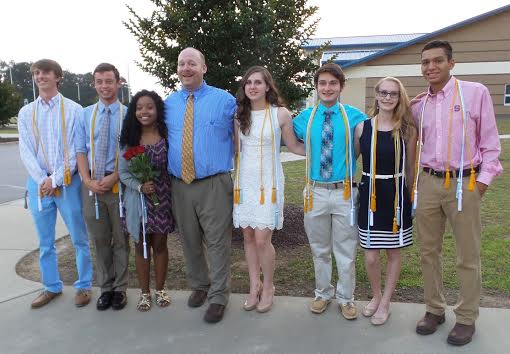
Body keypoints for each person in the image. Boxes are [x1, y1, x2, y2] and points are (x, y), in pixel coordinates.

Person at [411, 40, 502, 346]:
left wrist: (482, 182)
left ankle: (466, 317)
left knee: (467, 255)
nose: (430, 67)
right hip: (429, 182)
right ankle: (434, 309)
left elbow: (490, 142)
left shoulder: (475, 93)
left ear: (452, 63)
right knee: (427, 252)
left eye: (437, 61)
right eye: (425, 62)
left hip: (465, 183)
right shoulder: (418, 104)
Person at [165, 47, 236, 323]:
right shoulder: (168, 104)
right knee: (190, 240)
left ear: (204, 68)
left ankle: (218, 296)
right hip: (180, 184)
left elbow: (245, 131)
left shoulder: (225, 101)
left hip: (214, 184)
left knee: (218, 242)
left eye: (192, 63)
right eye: (182, 64)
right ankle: (200, 285)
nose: (186, 68)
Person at [293, 63, 366, 320]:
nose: (327, 88)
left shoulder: (355, 116)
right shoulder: (304, 118)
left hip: (344, 192)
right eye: (322, 83)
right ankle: (323, 293)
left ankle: (346, 298)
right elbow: (288, 141)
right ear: (316, 87)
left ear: (341, 87)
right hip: (315, 192)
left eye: (333, 83)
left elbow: (364, 143)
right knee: (319, 248)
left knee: (345, 249)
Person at [18, 59, 93, 308]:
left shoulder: (74, 110)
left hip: (67, 181)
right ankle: (51, 287)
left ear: (58, 77)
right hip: (39, 184)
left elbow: (76, 149)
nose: (41, 76)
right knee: (45, 241)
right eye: (37, 73)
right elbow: (26, 150)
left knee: (79, 237)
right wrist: (42, 180)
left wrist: (56, 179)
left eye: (46, 72)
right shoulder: (27, 112)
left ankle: (84, 286)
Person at [233, 66, 305, 313]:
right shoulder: (239, 116)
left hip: (269, 184)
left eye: (258, 82)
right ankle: (254, 286)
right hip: (245, 182)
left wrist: (323, 151)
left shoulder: (281, 114)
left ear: (267, 86)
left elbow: (294, 146)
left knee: (263, 239)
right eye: (248, 83)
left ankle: (269, 286)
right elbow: (235, 151)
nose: (252, 86)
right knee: (248, 236)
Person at [354, 77, 417, 325]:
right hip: (370, 191)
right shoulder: (363, 128)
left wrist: (409, 198)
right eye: (384, 93)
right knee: (370, 254)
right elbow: (351, 160)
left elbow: (411, 168)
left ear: (400, 97)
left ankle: (386, 301)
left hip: (396, 195)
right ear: (377, 95)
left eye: (393, 94)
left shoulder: (407, 129)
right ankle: (376, 295)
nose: (388, 97)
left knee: (392, 251)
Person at [76, 63, 129, 311]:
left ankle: (120, 289)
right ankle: (105, 288)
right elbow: (80, 150)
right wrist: (87, 180)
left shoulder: (128, 114)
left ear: (118, 83)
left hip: (117, 184)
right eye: (99, 81)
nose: (104, 86)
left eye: (109, 81)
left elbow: (132, 152)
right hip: (92, 185)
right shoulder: (85, 115)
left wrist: (116, 176)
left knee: (120, 239)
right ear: (94, 84)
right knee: (99, 239)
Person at [119, 90, 175, 311]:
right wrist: (140, 186)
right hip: (138, 200)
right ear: (134, 111)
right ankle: (144, 293)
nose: (144, 111)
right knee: (141, 246)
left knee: (160, 245)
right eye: (139, 107)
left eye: (149, 107)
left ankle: (161, 289)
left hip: (162, 199)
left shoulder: (167, 134)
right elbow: (123, 173)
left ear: (157, 109)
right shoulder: (128, 138)